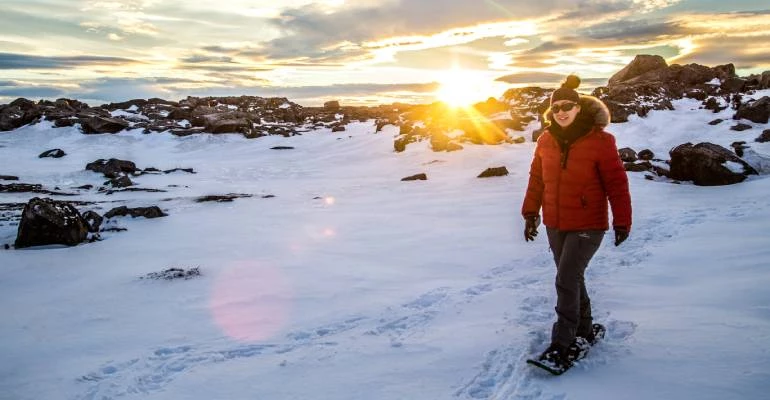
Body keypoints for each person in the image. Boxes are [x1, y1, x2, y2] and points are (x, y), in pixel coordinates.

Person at [521, 75, 632, 369]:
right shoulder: (546, 139)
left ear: (578, 107)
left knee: (566, 279)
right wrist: (531, 213)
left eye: (567, 105)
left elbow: (617, 184)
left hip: (588, 223)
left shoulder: (601, 141)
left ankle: (563, 343)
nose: (561, 111)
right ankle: (584, 330)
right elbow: (537, 179)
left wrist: (623, 222)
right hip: (555, 222)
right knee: (572, 278)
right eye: (556, 106)